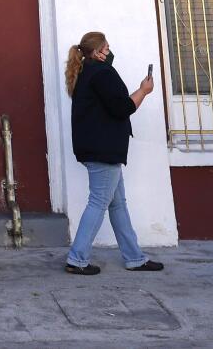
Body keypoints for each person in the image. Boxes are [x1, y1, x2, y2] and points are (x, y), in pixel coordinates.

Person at [61, 31, 165, 275]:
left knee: (117, 204)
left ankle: (134, 257)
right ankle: (77, 259)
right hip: (103, 149)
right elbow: (122, 108)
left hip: (95, 148)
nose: (110, 51)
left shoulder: (86, 71)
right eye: (107, 47)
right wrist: (144, 90)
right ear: (98, 52)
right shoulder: (102, 72)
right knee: (98, 202)